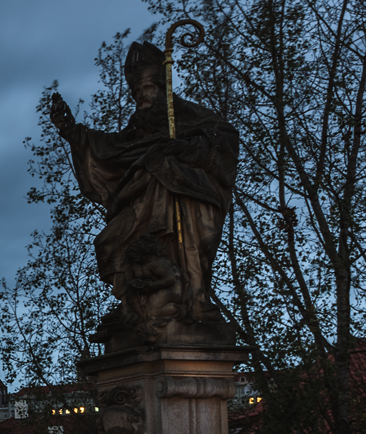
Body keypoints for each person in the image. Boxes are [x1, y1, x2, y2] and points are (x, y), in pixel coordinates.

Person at [50, 41, 239, 336]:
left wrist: (183, 149)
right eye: (136, 92)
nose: (141, 98)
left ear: (162, 88)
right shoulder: (138, 130)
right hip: (140, 202)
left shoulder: (190, 117)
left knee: (184, 248)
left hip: (185, 199)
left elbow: (222, 143)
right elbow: (112, 151)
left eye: (146, 90)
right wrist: (72, 131)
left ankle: (195, 300)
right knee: (108, 243)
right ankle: (132, 305)